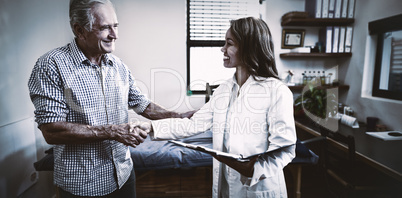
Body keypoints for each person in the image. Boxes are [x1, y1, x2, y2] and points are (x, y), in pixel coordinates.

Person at [28, 0, 193, 197]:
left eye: (115, 26)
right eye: (105, 28)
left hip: (123, 174)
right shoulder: (51, 65)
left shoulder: (118, 66)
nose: (115, 35)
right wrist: (113, 131)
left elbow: (143, 105)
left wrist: (177, 117)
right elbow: (52, 131)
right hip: (84, 184)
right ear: (79, 30)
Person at [144, 17, 297, 197]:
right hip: (225, 186)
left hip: (258, 189)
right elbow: (192, 125)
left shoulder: (277, 91)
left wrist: (254, 169)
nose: (223, 49)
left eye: (229, 43)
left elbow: (285, 147)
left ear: (248, 48)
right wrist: (148, 127)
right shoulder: (223, 90)